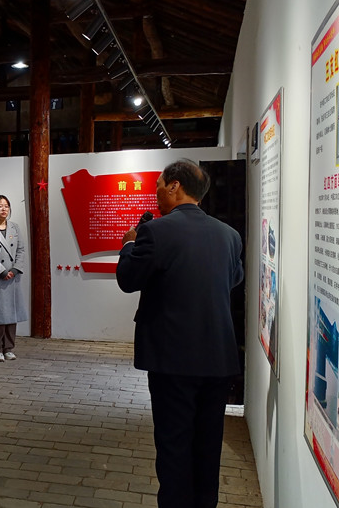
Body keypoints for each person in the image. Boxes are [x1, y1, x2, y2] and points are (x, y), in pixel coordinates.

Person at [116, 160, 243, 508]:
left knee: (174, 446)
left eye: (159, 185)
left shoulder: (156, 232)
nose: (156, 192)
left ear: (174, 186)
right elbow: (234, 279)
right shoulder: (229, 235)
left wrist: (128, 245)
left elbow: (128, 279)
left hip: (172, 360)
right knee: (208, 446)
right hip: (218, 359)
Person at [0, 194, 27, 362]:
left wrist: (16, 269)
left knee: (12, 314)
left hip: (13, 277)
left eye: (6, 206)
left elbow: (21, 250)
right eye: (0, 206)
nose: (4, 209)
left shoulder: (14, 227)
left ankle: (9, 348)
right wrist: (3, 271)